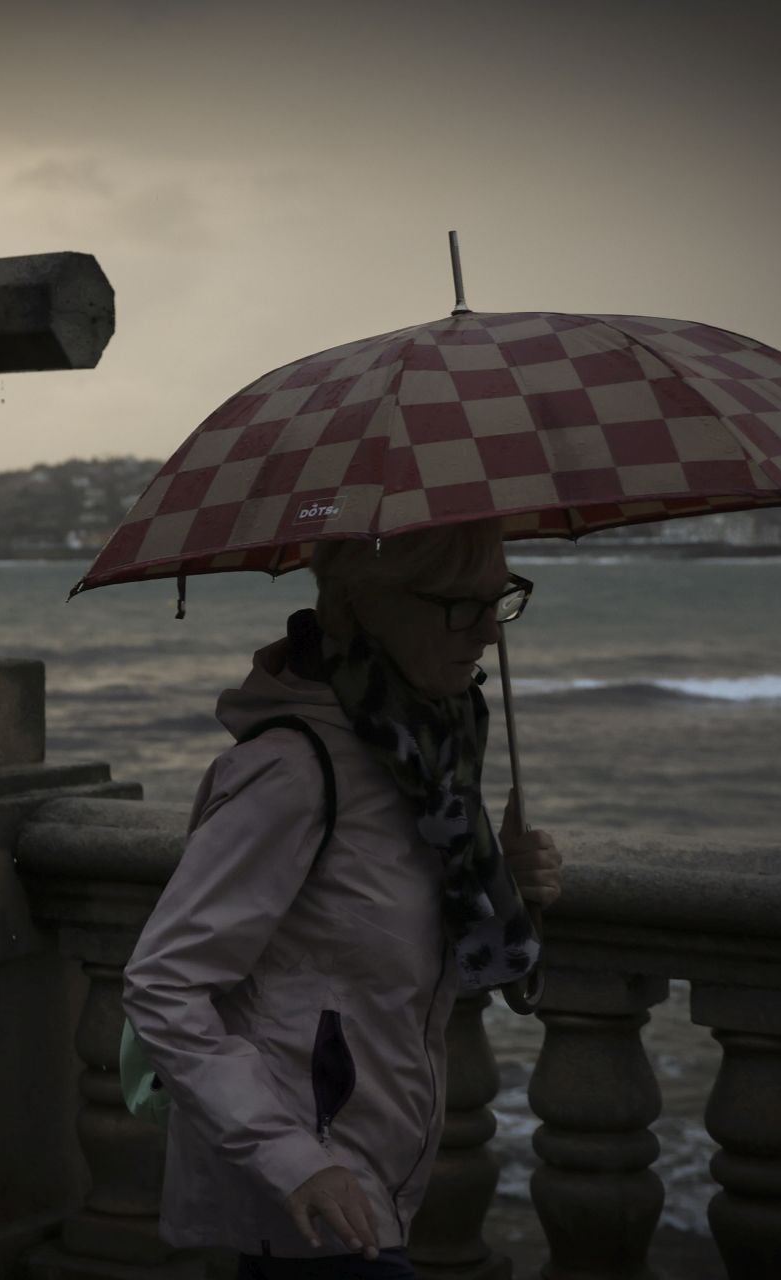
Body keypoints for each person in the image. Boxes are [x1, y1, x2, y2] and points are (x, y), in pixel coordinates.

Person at [121, 518, 564, 1278]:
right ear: (364, 607)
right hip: (308, 1197)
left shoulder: (423, 765)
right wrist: (291, 1158)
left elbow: (386, 946)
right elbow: (163, 984)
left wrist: (513, 889)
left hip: (371, 1180)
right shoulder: (294, 771)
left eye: (501, 600)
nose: (489, 632)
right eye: (460, 604)